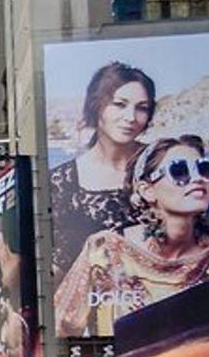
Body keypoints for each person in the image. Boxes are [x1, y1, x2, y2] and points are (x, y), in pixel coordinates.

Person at [55, 135, 209, 337]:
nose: (198, 178)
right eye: (180, 171)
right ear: (147, 191)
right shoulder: (105, 250)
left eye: (204, 169)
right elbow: (61, 332)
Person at [50, 62, 156, 279]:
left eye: (142, 108)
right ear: (96, 105)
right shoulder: (62, 181)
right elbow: (59, 267)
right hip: (97, 305)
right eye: (119, 104)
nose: (130, 117)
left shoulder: (163, 163)